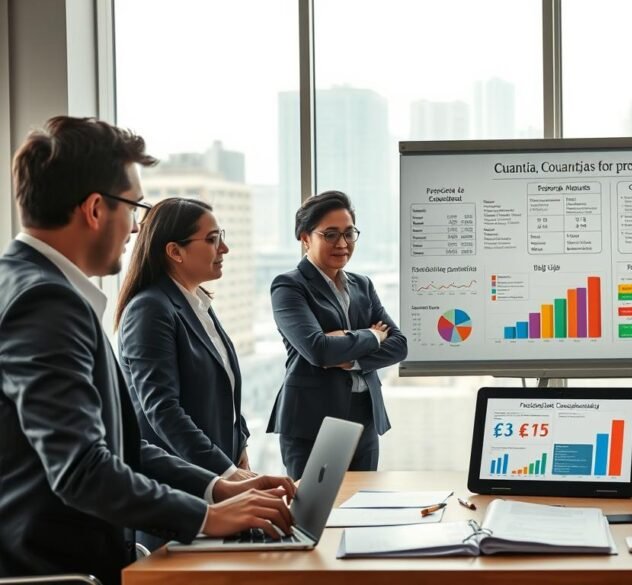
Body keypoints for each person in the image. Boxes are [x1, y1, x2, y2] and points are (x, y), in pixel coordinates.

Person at [0, 116, 296, 584]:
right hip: (59, 570)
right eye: (133, 207)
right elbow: (82, 469)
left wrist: (215, 487)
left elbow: (122, 445)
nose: (137, 227)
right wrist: (207, 517)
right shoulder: (46, 302)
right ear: (96, 209)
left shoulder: (34, 287)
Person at [115, 198, 255, 550]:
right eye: (211, 239)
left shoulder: (199, 304)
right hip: (178, 495)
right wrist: (226, 473)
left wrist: (240, 448)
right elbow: (162, 409)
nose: (224, 247)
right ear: (175, 251)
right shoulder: (150, 309)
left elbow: (224, 389)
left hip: (217, 483)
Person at [268, 191, 407, 477]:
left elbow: (400, 345)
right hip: (313, 421)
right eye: (330, 234)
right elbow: (318, 349)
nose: (342, 243)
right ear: (305, 238)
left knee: (363, 506)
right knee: (315, 515)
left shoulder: (362, 285)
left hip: (365, 417)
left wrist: (353, 357)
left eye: (348, 233)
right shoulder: (289, 286)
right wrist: (371, 335)